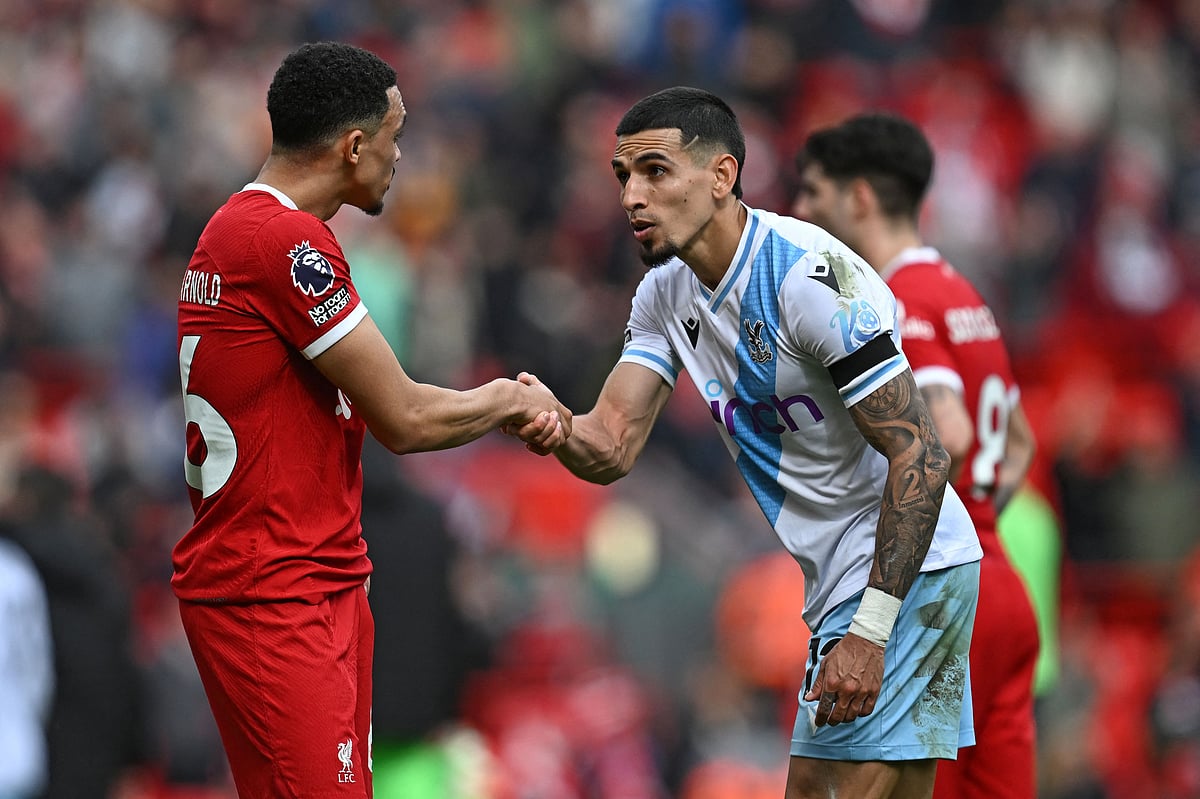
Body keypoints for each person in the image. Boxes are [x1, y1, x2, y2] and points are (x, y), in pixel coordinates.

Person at [508, 86, 982, 799]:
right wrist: (549, 423)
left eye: (656, 172)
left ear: (722, 176)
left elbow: (922, 451)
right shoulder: (664, 296)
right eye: (622, 176)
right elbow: (610, 444)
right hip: (857, 583)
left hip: (906, 569)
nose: (632, 196)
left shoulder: (807, 276)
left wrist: (871, 629)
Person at [174, 41, 569, 798]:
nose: (400, 155)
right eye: (396, 135)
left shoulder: (248, 230)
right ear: (354, 146)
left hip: (315, 572)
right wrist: (513, 399)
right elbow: (406, 417)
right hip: (273, 588)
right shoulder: (281, 242)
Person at [793, 112, 1040, 799]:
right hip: (1008, 589)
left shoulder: (897, 298)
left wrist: (935, 538)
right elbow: (1018, 442)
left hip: (952, 591)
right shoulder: (965, 296)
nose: (801, 212)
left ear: (860, 198)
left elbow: (950, 435)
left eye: (814, 193)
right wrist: (983, 517)